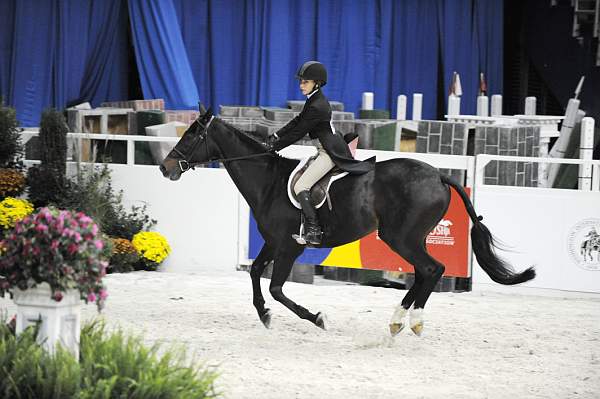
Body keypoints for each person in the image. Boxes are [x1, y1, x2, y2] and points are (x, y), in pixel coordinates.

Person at [266, 61, 375, 245]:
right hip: (323, 148)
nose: (301, 85)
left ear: (316, 82)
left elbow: (298, 132)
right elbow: (297, 122)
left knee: (301, 186)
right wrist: (276, 135)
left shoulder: (318, 105)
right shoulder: (314, 100)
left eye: (305, 82)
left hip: (329, 152)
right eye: (300, 82)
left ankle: (314, 230)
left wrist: (275, 147)